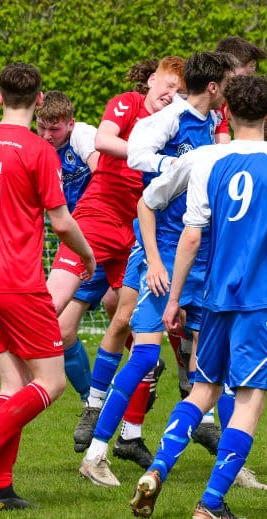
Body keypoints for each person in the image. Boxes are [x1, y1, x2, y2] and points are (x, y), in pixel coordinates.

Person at [129, 75, 267, 519]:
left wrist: (173, 300)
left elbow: (191, 237)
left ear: (225, 111)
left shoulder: (206, 159)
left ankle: (157, 468)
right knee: (248, 397)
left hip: (212, 298)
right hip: (258, 301)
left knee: (203, 390)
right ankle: (210, 502)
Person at [79, 51, 239, 487]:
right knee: (145, 353)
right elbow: (136, 157)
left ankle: (233, 464)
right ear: (213, 86)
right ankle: (96, 452)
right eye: (227, 83)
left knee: (215, 365)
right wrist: (179, 167)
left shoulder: (212, 123)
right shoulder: (171, 119)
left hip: (200, 255)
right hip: (164, 252)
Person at [0, 63, 95, 511]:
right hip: (19, 285)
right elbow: (62, 222)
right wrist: (88, 256)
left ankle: (3, 487)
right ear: (39, 100)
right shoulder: (39, 151)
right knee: (52, 383)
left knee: (13, 381)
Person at [43, 57, 184, 455]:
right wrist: (154, 158)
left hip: (139, 226)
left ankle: (125, 430)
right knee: (53, 312)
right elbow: (104, 142)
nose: (171, 94)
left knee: (133, 323)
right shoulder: (126, 103)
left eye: (179, 91)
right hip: (99, 217)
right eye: (167, 85)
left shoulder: (177, 123)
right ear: (151, 81)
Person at [0, 90, 112, 413]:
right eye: (43, 128)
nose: (48, 135)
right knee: (59, 327)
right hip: (78, 241)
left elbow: (102, 174)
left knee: (118, 320)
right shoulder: (34, 149)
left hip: (97, 235)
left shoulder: (82, 136)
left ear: (70, 124)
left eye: (55, 129)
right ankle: (93, 403)